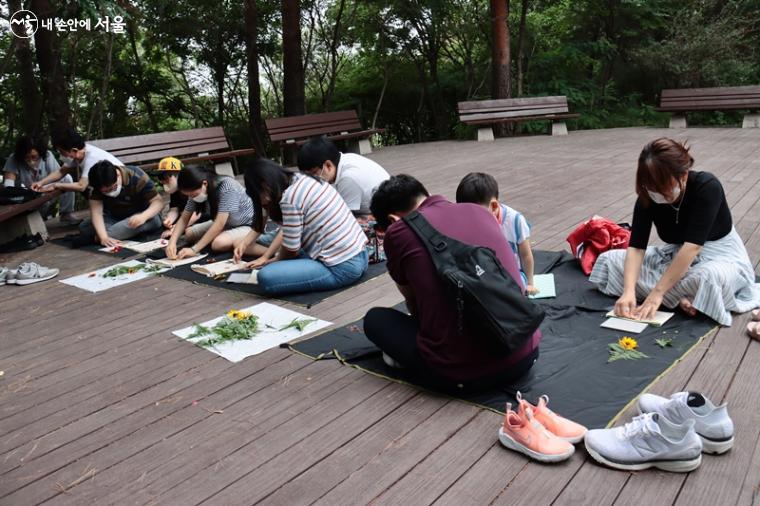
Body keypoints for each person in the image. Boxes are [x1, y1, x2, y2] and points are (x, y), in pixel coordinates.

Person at [364, 174, 541, 392]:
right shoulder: (477, 210)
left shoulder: (399, 232)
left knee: (375, 319)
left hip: (465, 375)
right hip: (525, 350)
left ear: (392, 220)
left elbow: (413, 303)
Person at [590, 138, 760, 326]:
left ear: (684, 175)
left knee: (709, 277)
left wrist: (657, 294)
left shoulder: (707, 187)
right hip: (676, 256)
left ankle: (669, 295)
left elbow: (693, 247)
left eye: (664, 189)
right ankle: (682, 298)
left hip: (719, 257)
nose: (658, 194)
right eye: (651, 188)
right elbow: (637, 248)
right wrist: (628, 291)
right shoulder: (648, 197)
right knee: (610, 260)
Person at [242, 159, 369, 295]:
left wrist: (275, 260)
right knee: (286, 257)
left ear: (265, 186)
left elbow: (291, 250)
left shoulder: (290, 198)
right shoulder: (303, 179)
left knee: (266, 277)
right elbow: (290, 237)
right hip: (361, 255)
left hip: (341, 268)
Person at [455, 172, 537, 295]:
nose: (470, 218)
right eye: (465, 212)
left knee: (514, 290)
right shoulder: (466, 221)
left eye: (475, 213)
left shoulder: (515, 220)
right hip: (483, 272)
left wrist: (530, 283)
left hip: (512, 273)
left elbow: (525, 255)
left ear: (493, 206)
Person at [165, 164, 256, 260]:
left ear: (204, 183)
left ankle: (227, 239)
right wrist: (172, 242)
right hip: (227, 223)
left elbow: (219, 224)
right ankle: (214, 238)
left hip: (248, 224)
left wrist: (194, 249)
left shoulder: (227, 186)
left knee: (218, 243)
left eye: (193, 195)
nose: (192, 198)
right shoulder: (196, 190)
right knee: (189, 234)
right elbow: (184, 218)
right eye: (189, 196)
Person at [297, 136, 390, 215]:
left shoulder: (348, 178)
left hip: (387, 215)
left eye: (313, 173)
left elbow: (346, 217)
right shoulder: (344, 160)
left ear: (328, 165)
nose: (311, 180)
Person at [79, 160, 163, 247]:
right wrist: (103, 238)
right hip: (115, 216)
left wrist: (144, 216)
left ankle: (103, 236)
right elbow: (96, 212)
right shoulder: (97, 184)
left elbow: (158, 202)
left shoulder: (137, 176)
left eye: (112, 188)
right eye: (105, 191)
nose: (109, 192)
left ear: (118, 175)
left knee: (111, 233)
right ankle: (110, 233)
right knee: (84, 227)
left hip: (142, 216)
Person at [3, 135, 79, 224]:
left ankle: (66, 214)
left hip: (49, 188)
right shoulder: (13, 159)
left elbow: (59, 176)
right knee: (39, 207)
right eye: (26, 157)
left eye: (34, 157)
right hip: (29, 194)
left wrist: (46, 187)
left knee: (67, 178)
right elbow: (8, 185)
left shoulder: (47, 156)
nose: (31, 160)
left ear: (40, 153)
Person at [32, 127, 122, 194]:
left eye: (62, 152)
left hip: (118, 189)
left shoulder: (91, 158)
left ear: (74, 150)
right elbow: (61, 172)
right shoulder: (78, 154)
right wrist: (41, 183)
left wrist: (55, 185)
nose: (61, 156)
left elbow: (81, 186)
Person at [150, 157, 204, 238]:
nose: (162, 181)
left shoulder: (191, 186)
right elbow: (174, 210)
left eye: (164, 177)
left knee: (189, 233)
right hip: (185, 218)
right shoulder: (174, 189)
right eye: (160, 178)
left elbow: (197, 214)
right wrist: (169, 220)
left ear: (179, 175)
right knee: (164, 226)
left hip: (200, 218)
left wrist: (176, 228)